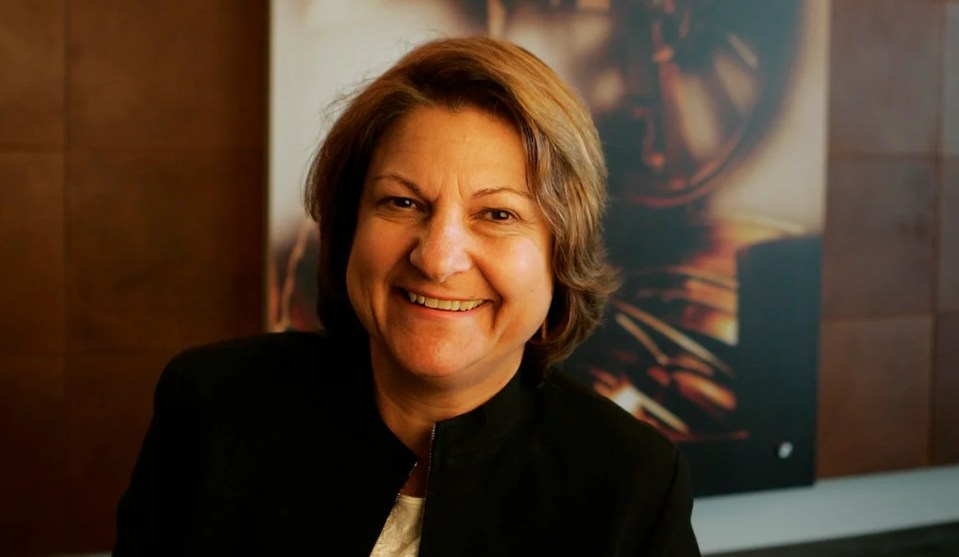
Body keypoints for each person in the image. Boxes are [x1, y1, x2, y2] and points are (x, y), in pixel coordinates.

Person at [113, 36, 701, 556]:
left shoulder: (635, 482)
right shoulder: (210, 407)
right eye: (402, 202)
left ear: (561, 256)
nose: (437, 258)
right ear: (349, 230)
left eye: (497, 214)